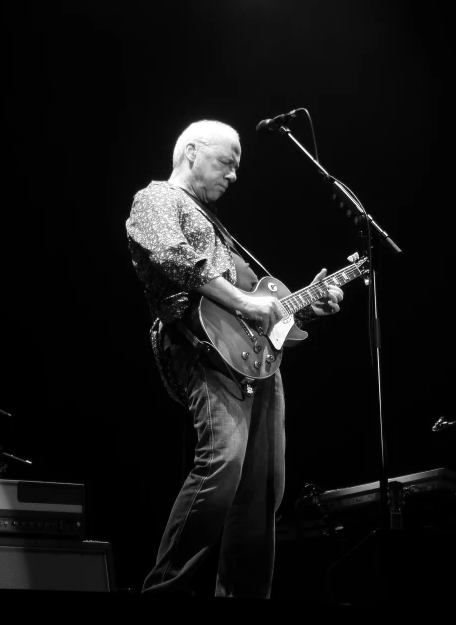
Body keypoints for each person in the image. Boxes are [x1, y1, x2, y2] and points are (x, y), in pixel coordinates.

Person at [125, 119, 344, 599]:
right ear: (191, 154)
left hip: (256, 362)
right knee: (223, 464)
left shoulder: (218, 227)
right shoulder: (157, 199)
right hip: (200, 351)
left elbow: (264, 309)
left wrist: (309, 305)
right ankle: (164, 589)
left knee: (263, 488)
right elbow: (172, 256)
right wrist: (246, 304)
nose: (234, 175)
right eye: (227, 162)